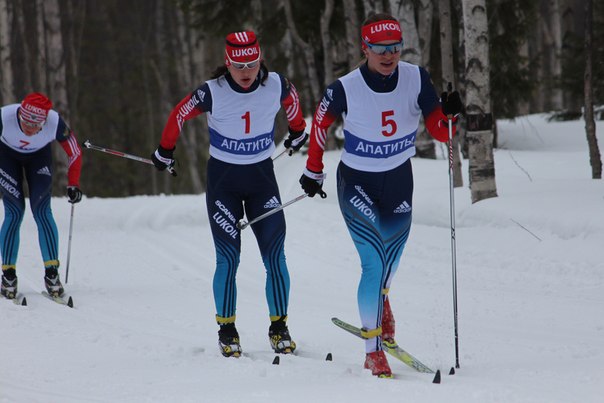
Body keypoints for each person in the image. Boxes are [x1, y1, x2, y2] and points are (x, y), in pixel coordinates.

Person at [299, 13, 463, 378]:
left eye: (394, 48)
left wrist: (449, 115)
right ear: (365, 49)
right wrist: (313, 170)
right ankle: (372, 351)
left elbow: (440, 131)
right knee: (373, 261)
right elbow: (320, 124)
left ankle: (382, 300)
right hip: (357, 181)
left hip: (399, 180)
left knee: (392, 259)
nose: (388, 56)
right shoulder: (345, 87)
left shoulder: (417, 78)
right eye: (380, 49)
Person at [151, 31, 308, 358]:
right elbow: (178, 113)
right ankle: (227, 330)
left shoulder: (276, 84)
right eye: (239, 65)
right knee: (228, 258)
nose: (246, 71)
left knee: (275, 256)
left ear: (260, 59)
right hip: (224, 184)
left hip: (262, 181)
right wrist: (165, 150)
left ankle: (279, 328)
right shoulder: (212, 91)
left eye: (252, 64)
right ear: (227, 63)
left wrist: (297, 131)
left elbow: (292, 100)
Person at [0, 92, 83, 300]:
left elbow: (75, 152)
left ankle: (52, 274)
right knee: (14, 212)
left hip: (38, 158)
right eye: (25, 123)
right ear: (19, 114)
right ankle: (8, 276)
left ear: (44, 122)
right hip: (6, 157)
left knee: (42, 211)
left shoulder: (54, 122)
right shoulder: (4, 117)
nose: (29, 129)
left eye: (35, 125)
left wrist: (73, 183)